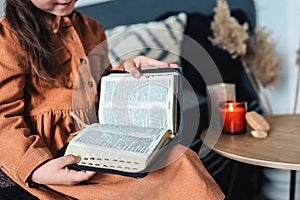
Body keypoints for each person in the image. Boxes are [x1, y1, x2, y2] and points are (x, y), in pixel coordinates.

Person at [0, 0, 224, 199]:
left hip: (97, 138)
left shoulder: (91, 28)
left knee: (181, 160)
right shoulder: (7, 38)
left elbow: (99, 87)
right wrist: (36, 167)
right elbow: (3, 116)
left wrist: (126, 70)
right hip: (51, 151)